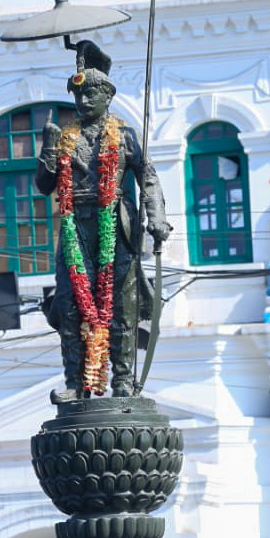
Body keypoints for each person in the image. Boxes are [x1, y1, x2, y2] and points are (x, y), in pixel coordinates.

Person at [36, 40, 171, 401]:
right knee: (70, 303)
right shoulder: (65, 138)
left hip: (116, 223)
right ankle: (76, 382)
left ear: (107, 96)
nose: (83, 102)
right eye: (78, 95)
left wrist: (157, 217)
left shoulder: (124, 136)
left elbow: (149, 177)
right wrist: (48, 148)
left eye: (90, 94)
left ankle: (123, 382)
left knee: (121, 307)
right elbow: (44, 185)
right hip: (74, 226)